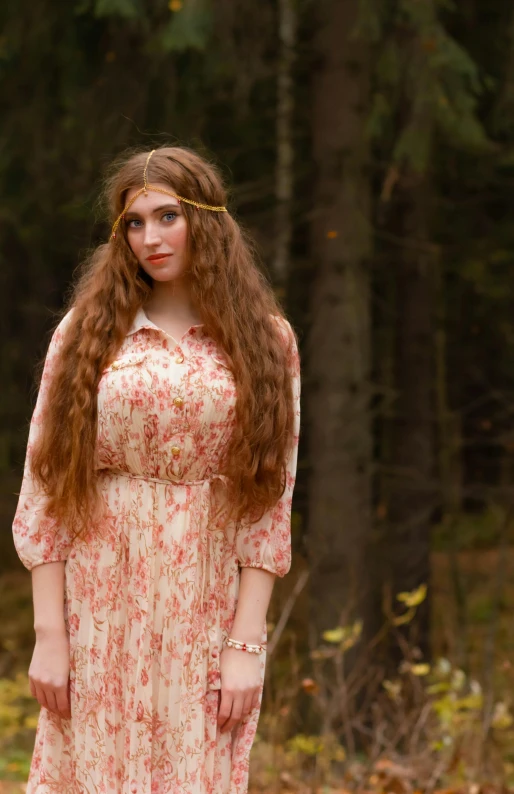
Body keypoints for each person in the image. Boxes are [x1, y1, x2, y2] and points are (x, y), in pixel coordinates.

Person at [12, 145, 301, 794]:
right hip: (99, 604)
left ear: (207, 219)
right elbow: (46, 489)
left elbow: (268, 503)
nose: (150, 237)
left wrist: (245, 644)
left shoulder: (266, 341)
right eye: (134, 223)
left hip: (204, 605)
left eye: (167, 216)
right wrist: (50, 636)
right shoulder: (87, 332)